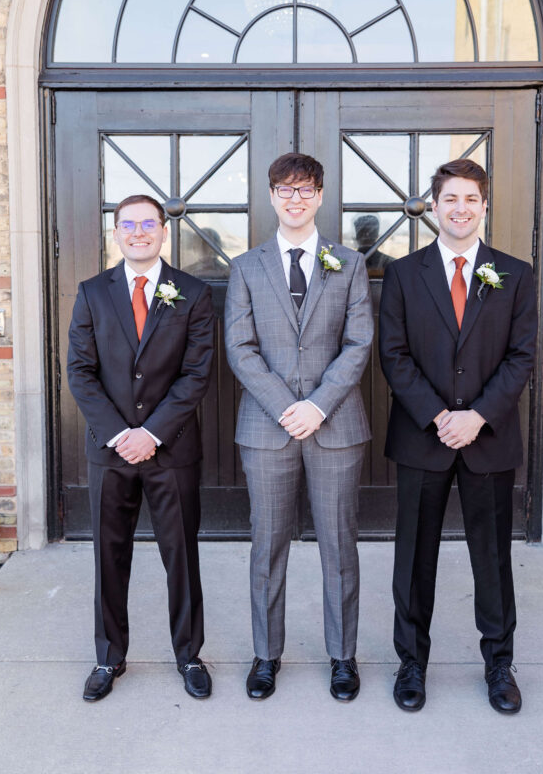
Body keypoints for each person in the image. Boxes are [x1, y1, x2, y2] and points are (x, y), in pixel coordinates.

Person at [379, 159, 537, 715]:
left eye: (471, 198)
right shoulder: (403, 274)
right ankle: (412, 662)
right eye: (450, 199)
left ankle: (498, 662)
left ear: (484, 205)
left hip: (488, 440)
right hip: (424, 438)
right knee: (414, 557)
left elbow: (521, 357)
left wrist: (477, 416)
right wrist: (439, 416)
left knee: (492, 559)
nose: (461, 208)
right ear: (434, 206)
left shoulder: (515, 274)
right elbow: (393, 356)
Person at [225, 153, 373, 702]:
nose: (295, 199)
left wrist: (319, 405)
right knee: (267, 545)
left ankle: (343, 657)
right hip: (267, 429)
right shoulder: (246, 267)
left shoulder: (349, 264)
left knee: (339, 544)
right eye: (285, 190)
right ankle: (267, 655)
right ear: (271, 196)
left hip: (335, 427)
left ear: (319, 196)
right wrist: (289, 406)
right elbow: (241, 349)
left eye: (305, 189)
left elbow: (359, 342)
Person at [67, 194, 215, 702]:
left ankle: (190, 654)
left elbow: (196, 374)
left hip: (171, 449)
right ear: (115, 233)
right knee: (110, 556)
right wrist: (120, 434)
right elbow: (80, 372)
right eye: (127, 224)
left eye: (147, 224)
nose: (138, 232)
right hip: (110, 452)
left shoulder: (192, 293)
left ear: (162, 231)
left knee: (182, 556)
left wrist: (150, 433)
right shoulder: (91, 292)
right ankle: (109, 658)